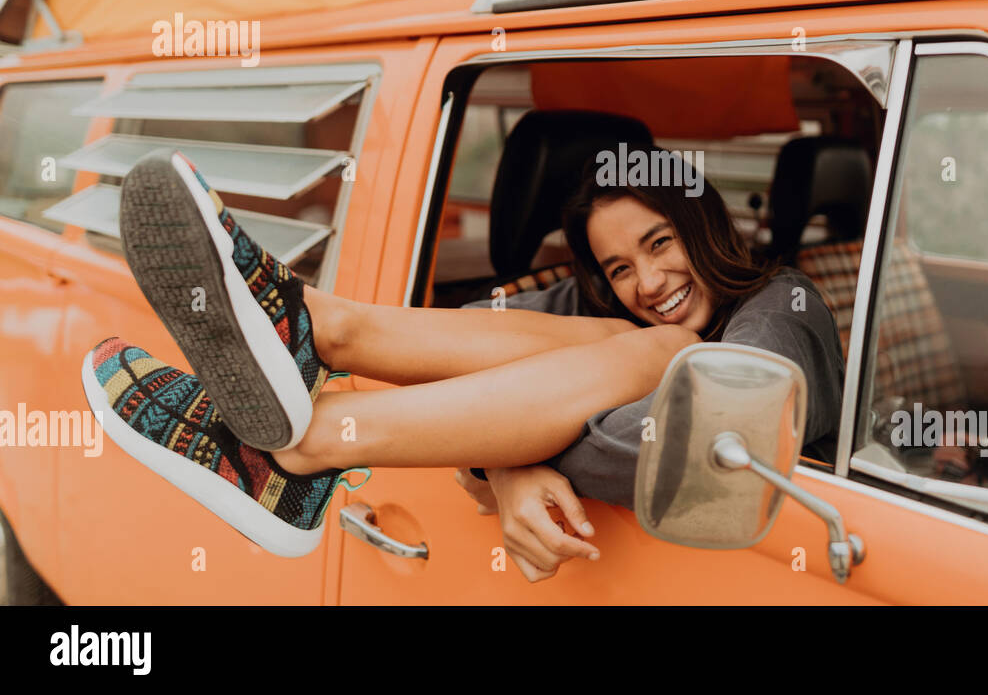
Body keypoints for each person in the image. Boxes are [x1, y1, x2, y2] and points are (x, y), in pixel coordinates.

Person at [83, 145, 843, 565]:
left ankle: (305, 444)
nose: (648, 283)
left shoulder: (783, 309)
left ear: (703, 224)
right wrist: (508, 459)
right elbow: (478, 328)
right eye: (617, 269)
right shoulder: (611, 318)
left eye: (660, 244)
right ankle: (321, 326)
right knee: (643, 343)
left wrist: (501, 454)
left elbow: (699, 453)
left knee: (671, 353)